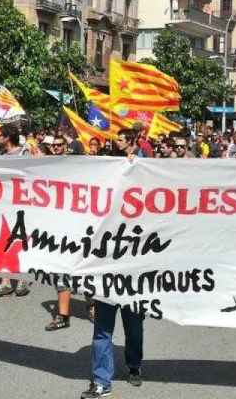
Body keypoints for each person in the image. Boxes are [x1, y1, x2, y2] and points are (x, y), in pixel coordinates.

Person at [83, 128, 145, 399]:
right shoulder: (108, 166)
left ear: (131, 142)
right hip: (106, 265)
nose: (115, 143)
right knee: (102, 328)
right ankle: (101, 381)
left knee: (134, 327)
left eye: (120, 140)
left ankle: (134, 365)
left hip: (134, 267)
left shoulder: (147, 168)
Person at [0, 123, 31, 298]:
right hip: (4, 201)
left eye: (1, 135)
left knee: (20, 239)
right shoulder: (0, 155)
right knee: (4, 240)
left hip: (22, 202)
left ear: (8, 137)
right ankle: (5, 281)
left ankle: (22, 279)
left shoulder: (25, 152)